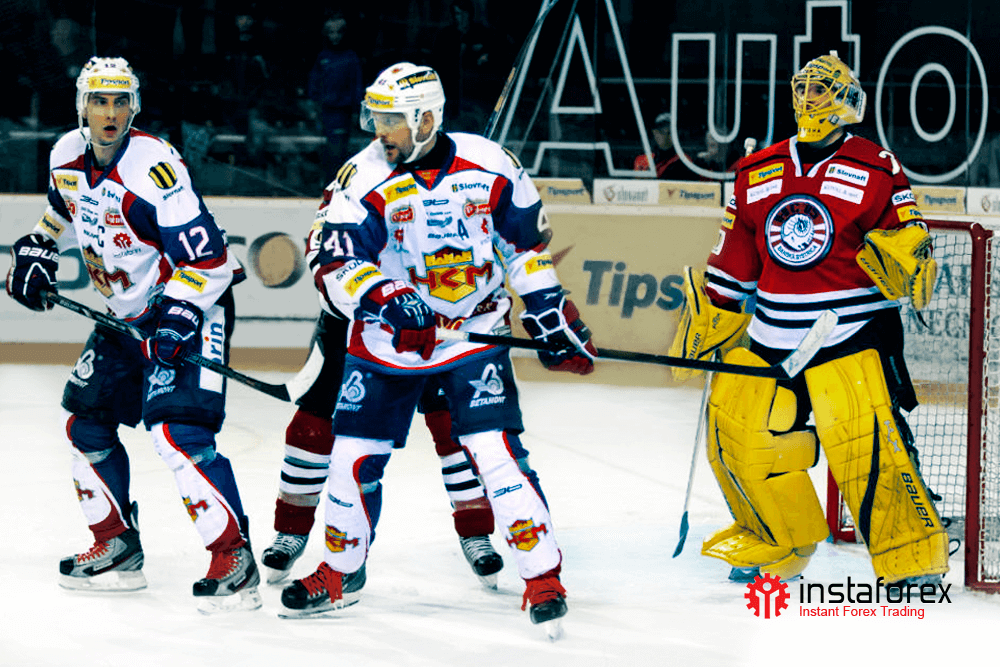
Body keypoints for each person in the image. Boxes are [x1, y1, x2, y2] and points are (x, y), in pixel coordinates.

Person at [277, 63, 596, 635]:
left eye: (392, 120)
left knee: (493, 451)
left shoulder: (492, 163)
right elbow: (332, 262)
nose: (380, 131)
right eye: (375, 118)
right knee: (352, 457)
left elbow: (524, 247)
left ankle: (542, 576)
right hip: (387, 342)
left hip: (473, 335)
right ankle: (340, 572)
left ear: (426, 119)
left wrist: (546, 307)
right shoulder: (360, 177)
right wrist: (386, 296)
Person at [669, 52, 948, 588]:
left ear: (846, 98)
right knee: (744, 437)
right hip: (772, 333)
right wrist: (713, 316)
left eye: (820, 89)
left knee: (868, 446)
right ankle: (776, 540)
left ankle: (911, 556)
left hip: (850, 331)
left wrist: (909, 257)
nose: (808, 98)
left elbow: (909, 243)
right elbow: (733, 261)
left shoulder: (878, 166)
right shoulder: (757, 169)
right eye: (804, 88)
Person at [4, 57, 261, 614]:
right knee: (86, 423)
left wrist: (177, 316)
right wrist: (39, 246)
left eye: (121, 102)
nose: (110, 113)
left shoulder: (155, 169)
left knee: (178, 433)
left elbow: (210, 261)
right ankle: (117, 545)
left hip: (191, 303)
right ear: (82, 106)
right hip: (123, 315)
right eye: (99, 101)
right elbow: (59, 211)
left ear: (134, 108)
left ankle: (234, 558)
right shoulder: (64, 155)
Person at [260, 309, 507, 589]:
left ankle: (476, 531)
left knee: (452, 427)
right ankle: (291, 529)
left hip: (439, 320)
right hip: (358, 321)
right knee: (311, 429)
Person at [307, 11, 364, 182]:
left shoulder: (351, 58)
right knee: (322, 152)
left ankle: (337, 185)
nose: (335, 36)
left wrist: (355, 112)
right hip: (322, 113)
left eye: (339, 32)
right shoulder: (322, 57)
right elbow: (314, 83)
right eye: (331, 32)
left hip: (342, 114)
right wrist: (313, 107)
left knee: (337, 153)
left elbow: (357, 86)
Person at [632, 111, 699, 180]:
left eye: (669, 132)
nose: (665, 136)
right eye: (661, 131)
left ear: (678, 134)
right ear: (654, 132)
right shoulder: (642, 159)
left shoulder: (684, 161)